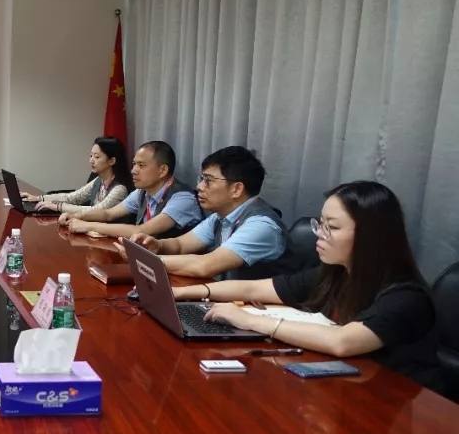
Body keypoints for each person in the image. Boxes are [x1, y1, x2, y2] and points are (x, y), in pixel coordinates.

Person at [172, 181, 446, 395]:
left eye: (332, 228)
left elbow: (342, 342)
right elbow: (255, 289)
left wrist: (249, 320)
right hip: (346, 385)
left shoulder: (406, 296)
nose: (320, 234)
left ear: (370, 237)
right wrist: (185, 293)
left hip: (391, 402)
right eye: (320, 224)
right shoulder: (337, 274)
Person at [114, 146, 299, 279]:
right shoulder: (220, 217)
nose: (199, 187)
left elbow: (206, 266)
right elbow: (180, 245)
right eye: (201, 179)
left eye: (208, 181)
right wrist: (156, 245)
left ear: (236, 189)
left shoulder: (261, 225)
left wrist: (144, 260)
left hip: (262, 314)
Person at [64, 141, 201, 239]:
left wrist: (88, 226)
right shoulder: (142, 192)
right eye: (134, 164)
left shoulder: (183, 198)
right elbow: (108, 214)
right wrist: (77, 216)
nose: (133, 171)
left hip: (177, 267)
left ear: (163, 170)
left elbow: (143, 230)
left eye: (141, 165)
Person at [20, 137, 132, 215]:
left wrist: (58, 207)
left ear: (112, 161)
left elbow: (97, 211)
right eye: (91, 156)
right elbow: (73, 198)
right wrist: (38, 198)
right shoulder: (99, 180)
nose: (91, 161)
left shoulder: (120, 189)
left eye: (97, 157)